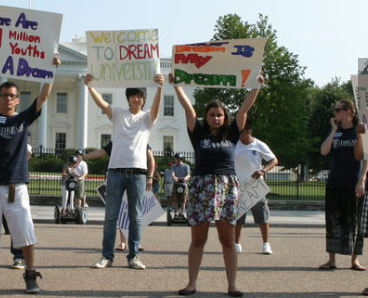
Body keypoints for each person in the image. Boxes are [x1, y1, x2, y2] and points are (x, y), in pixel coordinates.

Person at [0, 47, 60, 294]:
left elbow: (44, 95)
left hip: (16, 187)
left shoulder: (23, 118)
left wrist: (52, 69)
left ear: (18, 99)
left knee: (25, 233)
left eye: (12, 95)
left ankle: (30, 274)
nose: (8, 99)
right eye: (4, 95)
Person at [171, 73, 263, 297]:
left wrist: (256, 87)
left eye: (219, 115)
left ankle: (232, 286)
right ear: (206, 116)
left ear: (224, 117)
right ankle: (192, 283)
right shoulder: (198, 133)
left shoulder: (232, 134)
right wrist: (177, 86)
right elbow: (187, 109)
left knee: (228, 240)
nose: (215, 118)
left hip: (227, 187)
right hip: (202, 186)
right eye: (212, 114)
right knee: (198, 239)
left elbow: (243, 111)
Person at [86, 73, 164, 270]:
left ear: (143, 99)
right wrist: (89, 86)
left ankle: (134, 256)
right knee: (111, 216)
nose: (136, 99)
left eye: (139, 96)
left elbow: (155, 110)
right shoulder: (119, 113)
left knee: (135, 217)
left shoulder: (147, 119)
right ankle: (106, 256)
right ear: (128, 98)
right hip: (115, 171)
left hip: (138, 173)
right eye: (133, 95)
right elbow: (102, 104)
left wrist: (160, 88)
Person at [318, 99, 365, 272]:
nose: (335, 113)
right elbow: (324, 151)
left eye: (338, 110)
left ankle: (355, 260)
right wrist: (333, 130)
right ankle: (331, 260)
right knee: (333, 220)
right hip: (335, 182)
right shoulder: (336, 131)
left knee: (354, 221)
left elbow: (365, 158)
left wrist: (362, 179)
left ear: (348, 111)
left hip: (353, 183)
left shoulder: (359, 130)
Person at [233, 120, 279, 255]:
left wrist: (263, 170)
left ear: (248, 131)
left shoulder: (259, 145)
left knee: (262, 217)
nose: (238, 134)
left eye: (240, 132)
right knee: (237, 218)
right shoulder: (235, 144)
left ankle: (266, 244)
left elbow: (274, 160)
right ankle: (236, 243)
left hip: (255, 185)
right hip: (238, 185)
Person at [171, 153, 191, 218]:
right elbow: (172, 173)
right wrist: (174, 177)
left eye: (176, 159)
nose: (175, 160)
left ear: (180, 159)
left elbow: (188, 174)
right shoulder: (173, 166)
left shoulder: (186, 166)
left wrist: (186, 178)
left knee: (183, 200)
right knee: (175, 199)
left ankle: (182, 213)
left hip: (183, 184)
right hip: (176, 184)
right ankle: (176, 213)